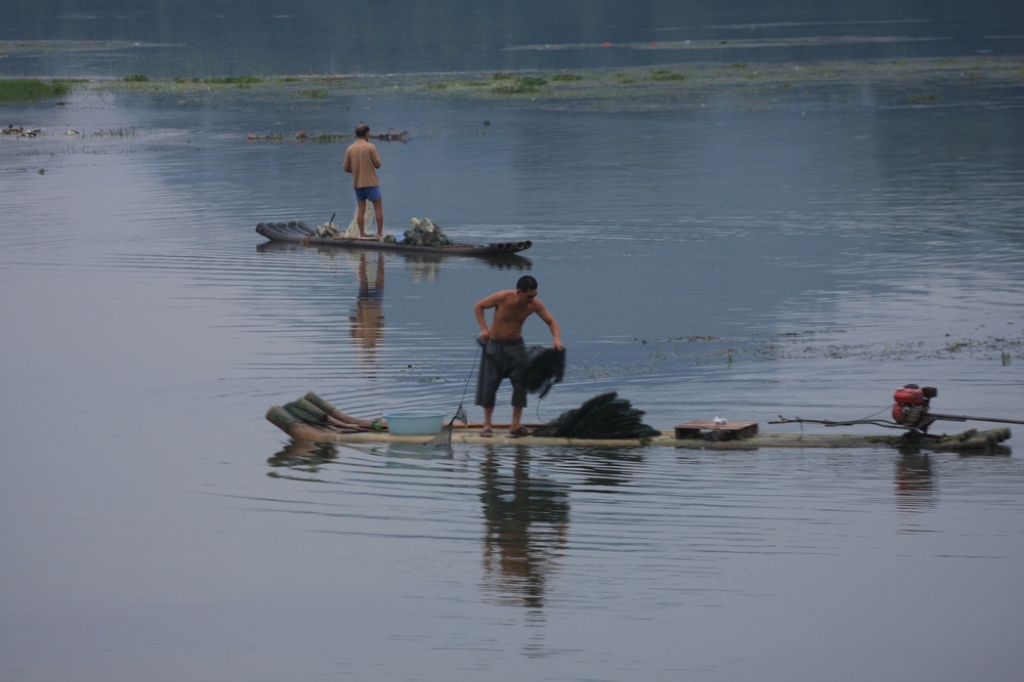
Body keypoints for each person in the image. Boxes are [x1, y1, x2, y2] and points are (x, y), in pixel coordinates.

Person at [473, 276, 564, 437]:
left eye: (534, 295)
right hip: (495, 345)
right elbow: (478, 306)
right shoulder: (503, 297)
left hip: (516, 346)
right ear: (519, 292)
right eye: (529, 296)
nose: (532, 299)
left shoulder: (535, 305)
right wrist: (484, 329)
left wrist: (556, 340)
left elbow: (551, 322)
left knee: (521, 384)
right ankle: (487, 425)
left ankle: (515, 425)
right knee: (490, 384)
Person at [342, 122, 384, 239]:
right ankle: (379, 234)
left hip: (357, 184)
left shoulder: (350, 149)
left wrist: (356, 171)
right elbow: (377, 164)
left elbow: (346, 168)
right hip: (371, 183)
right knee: (378, 208)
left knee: (361, 209)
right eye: (368, 133)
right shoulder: (370, 147)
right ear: (366, 133)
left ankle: (362, 234)